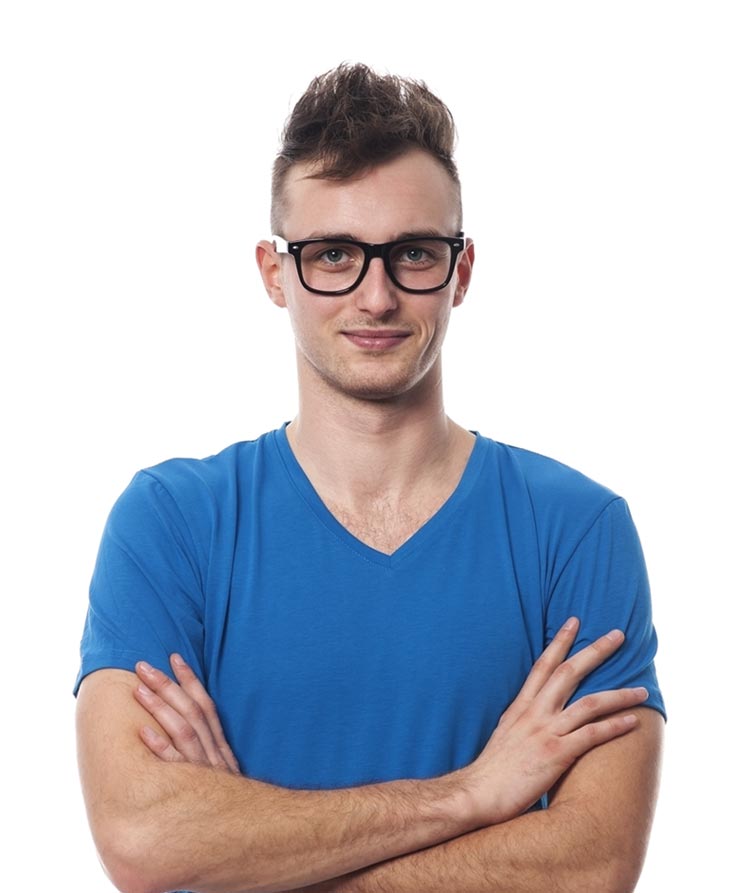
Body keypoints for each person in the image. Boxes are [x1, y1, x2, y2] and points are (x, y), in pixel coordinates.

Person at [75, 63, 665, 893]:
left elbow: (592, 865)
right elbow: (142, 836)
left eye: (413, 253)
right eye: (334, 255)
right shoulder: (172, 522)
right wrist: (470, 794)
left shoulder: (576, 530)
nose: (377, 296)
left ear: (461, 270)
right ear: (274, 272)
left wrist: (253, 852)